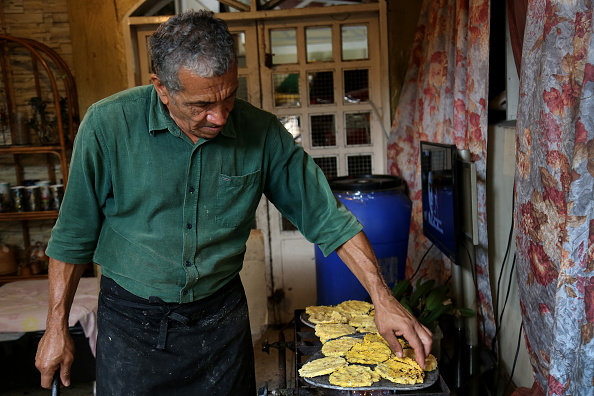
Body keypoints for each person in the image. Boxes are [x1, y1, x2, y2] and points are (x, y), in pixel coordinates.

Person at [35, 10, 432, 395]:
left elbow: (329, 219)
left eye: (228, 98)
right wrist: (56, 327)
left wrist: (384, 298)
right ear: (161, 88)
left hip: (219, 323)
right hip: (132, 326)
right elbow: (73, 236)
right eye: (200, 106)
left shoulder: (262, 133)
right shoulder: (108, 126)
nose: (220, 117)